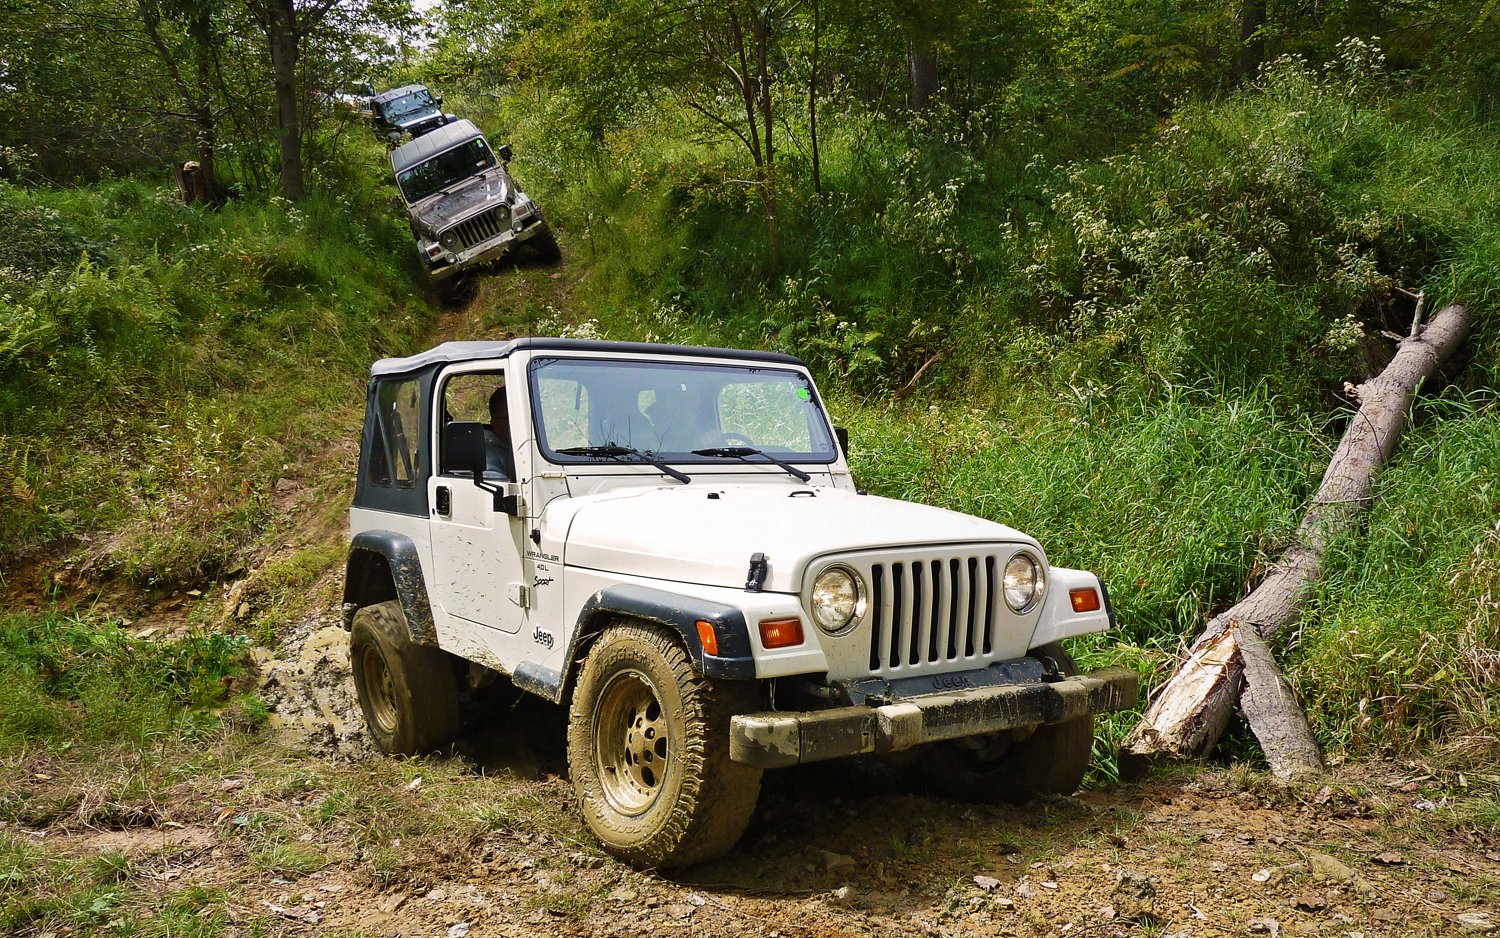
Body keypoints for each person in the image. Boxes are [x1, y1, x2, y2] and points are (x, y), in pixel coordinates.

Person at [484, 385, 516, 480]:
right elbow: (493, 481)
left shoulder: (542, 447)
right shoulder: (485, 453)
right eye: (515, 417)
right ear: (496, 424)